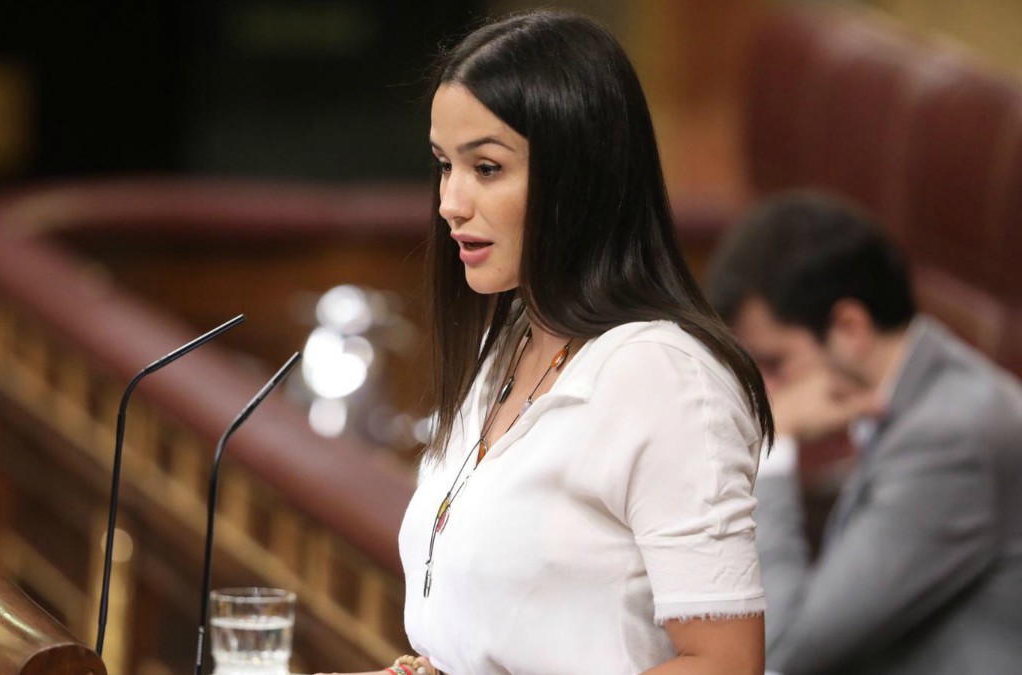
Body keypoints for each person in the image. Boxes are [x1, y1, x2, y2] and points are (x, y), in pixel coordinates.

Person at [321, 10, 772, 675]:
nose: (451, 200)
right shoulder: (510, 339)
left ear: (579, 177)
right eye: (445, 165)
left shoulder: (666, 377)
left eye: (487, 167)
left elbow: (725, 665)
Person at [706, 192, 1022, 675]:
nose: (763, 390)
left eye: (774, 363)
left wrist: (775, 442)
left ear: (850, 327)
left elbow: (783, 648)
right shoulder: (923, 391)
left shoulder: (953, 438)